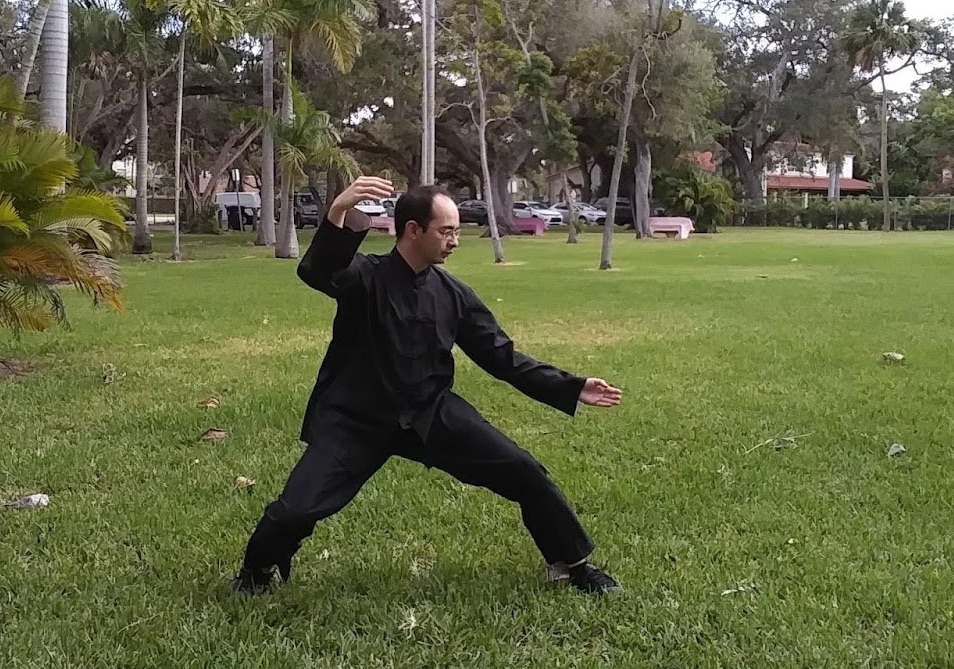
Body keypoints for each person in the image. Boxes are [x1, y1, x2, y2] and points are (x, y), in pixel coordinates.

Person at [232, 176, 624, 596]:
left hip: (430, 413)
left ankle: (574, 564)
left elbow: (501, 357)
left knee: (525, 472)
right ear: (413, 230)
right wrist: (339, 210)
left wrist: (571, 386)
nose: (455, 240)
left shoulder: (452, 294)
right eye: (447, 231)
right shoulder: (366, 277)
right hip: (357, 419)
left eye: (457, 230)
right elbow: (317, 271)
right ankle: (256, 572)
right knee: (295, 510)